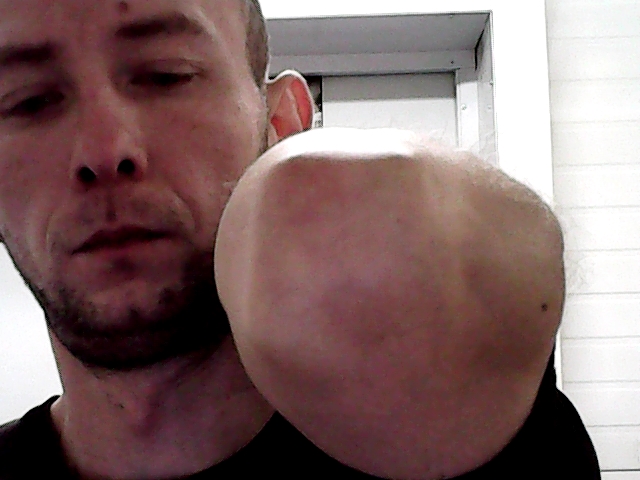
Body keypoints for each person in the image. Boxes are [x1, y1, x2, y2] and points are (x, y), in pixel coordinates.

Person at [0, 0, 600, 478]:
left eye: (166, 75)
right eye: (26, 101)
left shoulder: (471, 447)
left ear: (282, 122)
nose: (104, 151)